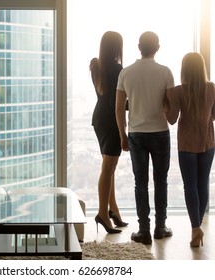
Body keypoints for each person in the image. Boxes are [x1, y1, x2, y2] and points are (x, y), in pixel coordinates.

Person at [115, 31, 174, 244]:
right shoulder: (165, 72)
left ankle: (143, 230)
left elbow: (119, 108)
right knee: (161, 181)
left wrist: (122, 135)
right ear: (157, 47)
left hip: (136, 133)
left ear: (138, 47)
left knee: (140, 182)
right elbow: (170, 106)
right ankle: (160, 227)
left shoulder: (126, 73)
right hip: (160, 131)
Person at [164, 52, 215, 247]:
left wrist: (165, 105)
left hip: (187, 145)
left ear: (184, 69)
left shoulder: (179, 91)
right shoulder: (213, 88)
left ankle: (196, 228)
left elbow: (171, 119)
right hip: (208, 143)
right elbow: (213, 116)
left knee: (190, 186)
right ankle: (198, 227)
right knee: (202, 185)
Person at [90, 31, 128, 234]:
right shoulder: (118, 70)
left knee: (109, 167)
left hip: (99, 119)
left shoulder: (95, 65)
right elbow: (119, 103)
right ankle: (103, 213)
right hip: (112, 121)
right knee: (108, 168)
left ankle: (113, 210)